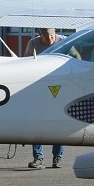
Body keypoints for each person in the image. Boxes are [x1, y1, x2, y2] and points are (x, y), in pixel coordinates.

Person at [24, 27, 66, 169]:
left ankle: (57, 157)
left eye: (52, 36)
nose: (50, 39)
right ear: (40, 35)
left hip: (61, 88)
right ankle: (38, 157)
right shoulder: (33, 44)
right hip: (40, 89)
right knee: (38, 124)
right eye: (46, 37)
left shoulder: (64, 41)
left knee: (59, 124)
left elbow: (76, 58)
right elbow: (25, 64)